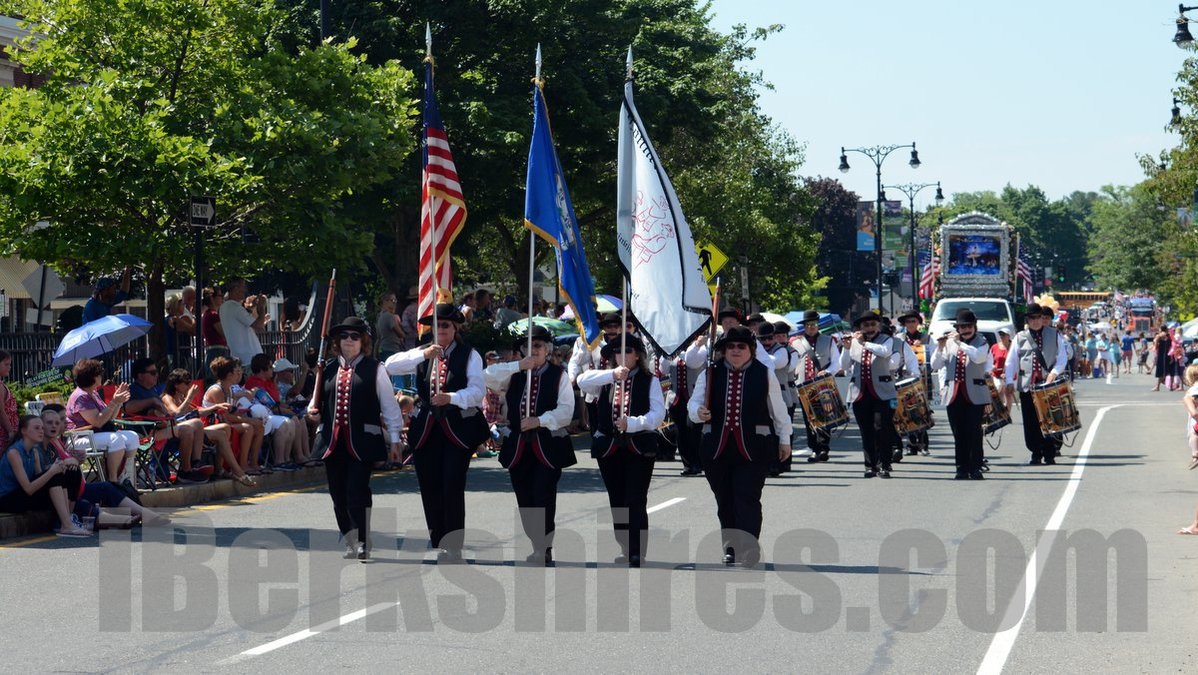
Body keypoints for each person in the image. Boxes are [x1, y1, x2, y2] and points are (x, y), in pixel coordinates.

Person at [384, 303, 488, 563]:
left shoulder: (469, 355)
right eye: (436, 325)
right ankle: (440, 540)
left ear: (455, 328)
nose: (440, 329)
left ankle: (454, 545)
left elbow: (478, 392)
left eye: (445, 325)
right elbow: (389, 365)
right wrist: (423, 355)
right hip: (427, 429)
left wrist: (452, 397)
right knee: (429, 484)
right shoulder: (422, 353)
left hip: (456, 429)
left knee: (452, 483)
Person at [688, 325, 791, 568]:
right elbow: (693, 404)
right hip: (716, 448)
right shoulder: (710, 373)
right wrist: (698, 412)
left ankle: (749, 548)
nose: (735, 350)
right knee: (725, 500)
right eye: (730, 346)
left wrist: (785, 438)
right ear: (723, 350)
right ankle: (731, 548)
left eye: (741, 346)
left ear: (751, 350)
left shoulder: (764, 373)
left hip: (754, 448)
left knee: (747, 498)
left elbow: (778, 410)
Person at [308, 316, 404, 561]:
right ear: (337, 342)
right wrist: (312, 412)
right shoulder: (327, 369)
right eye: (344, 336)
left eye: (354, 336)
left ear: (363, 341)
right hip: (332, 442)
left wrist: (395, 439)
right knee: (337, 494)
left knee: (357, 490)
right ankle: (350, 539)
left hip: (363, 441)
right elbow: (315, 403)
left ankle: (362, 540)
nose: (349, 340)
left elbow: (390, 406)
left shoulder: (375, 369)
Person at [485, 325, 576, 566]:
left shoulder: (558, 375)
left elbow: (566, 411)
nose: (533, 350)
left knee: (543, 494)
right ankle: (536, 542)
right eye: (528, 346)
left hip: (547, 445)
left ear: (547, 349)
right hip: (518, 446)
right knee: (524, 498)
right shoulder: (514, 374)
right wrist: (517, 365)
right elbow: (486, 376)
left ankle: (543, 548)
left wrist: (540, 420)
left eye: (538, 346)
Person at [576, 333, 665, 567]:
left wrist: (633, 423)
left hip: (639, 446)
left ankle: (637, 550)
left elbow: (658, 415)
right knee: (617, 499)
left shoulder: (650, 380)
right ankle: (625, 546)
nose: (622, 355)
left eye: (627, 351)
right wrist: (611, 374)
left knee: (635, 498)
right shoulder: (604, 379)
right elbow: (581, 380)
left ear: (637, 355)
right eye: (617, 351)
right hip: (609, 447)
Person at [41, 404, 169, 526]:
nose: (65, 422)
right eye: (59, 420)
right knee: (84, 506)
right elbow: (56, 471)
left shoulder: (59, 441)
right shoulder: (47, 445)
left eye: (60, 421)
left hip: (80, 489)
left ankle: (143, 513)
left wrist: (77, 460)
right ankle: (122, 520)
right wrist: (71, 461)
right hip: (69, 496)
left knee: (108, 487)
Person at [0, 416, 93, 537]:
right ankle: (66, 525)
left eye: (42, 428)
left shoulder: (33, 451)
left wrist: (60, 468)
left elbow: (40, 477)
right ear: (24, 431)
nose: (41, 431)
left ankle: (67, 519)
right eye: (36, 428)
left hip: (24, 495)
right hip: (7, 499)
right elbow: (28, 489)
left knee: (69, 472)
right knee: (53, 475)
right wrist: (51, 471)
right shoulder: (14, 453)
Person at [159, 368, 254, 485]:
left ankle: (219, 468)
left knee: (224, 428)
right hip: (181, 433)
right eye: (186, 383)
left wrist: (216, 407)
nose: (189, 386)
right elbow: (176, 413)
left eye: (190, 383)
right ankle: (238, 472)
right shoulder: (167, 397)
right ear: (176, 385)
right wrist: (190, 397)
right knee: (215, 431)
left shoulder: (181, 397)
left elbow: (197, 412)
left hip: (195, 430)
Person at [124, 357, 210, 483]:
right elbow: (128, 408)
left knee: (197, 424)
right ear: (140, 375)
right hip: (145, 433)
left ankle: (195, 463)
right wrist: (152, 401)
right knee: (186, 430)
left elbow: (166, 414)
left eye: (157, 372)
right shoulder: (132, 390)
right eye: (152, 373)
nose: (156, 375)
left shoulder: (152, 390)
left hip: (161, 427)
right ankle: (185, 472)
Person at [929, 310, 992, 480]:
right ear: (957, 328)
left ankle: (975, 467)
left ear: (975, 327)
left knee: (974, 431)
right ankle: (961, 468)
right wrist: (940, 347)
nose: (966, 330)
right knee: (959, 433)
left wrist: (959, 343)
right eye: (962, 327)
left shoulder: (982, 342)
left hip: (975, 393)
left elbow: (978, 358)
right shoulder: (949, 343)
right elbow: (936, 364)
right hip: (954, 394)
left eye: (969, 326)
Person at [1004, 304, 1069, 465]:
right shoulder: (1020, 337)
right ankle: (1035, 452)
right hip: (1028, 386)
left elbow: (1062, 357)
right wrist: (1009, 381)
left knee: (1050, 419)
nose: (1036, 321)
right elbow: (1011, 361)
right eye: (1032, 318)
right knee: (1030, 421)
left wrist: (1054, 373)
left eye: (1038, 317)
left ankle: (1050, 452)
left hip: (1048, 385)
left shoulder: (1054, 334)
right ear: (1028, 320)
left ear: (1042, 318)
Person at [839, 311, 900, 478]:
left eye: (873, 324)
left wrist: (864, 343)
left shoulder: (886, 340)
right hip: (860, 392)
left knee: (881, 428)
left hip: (883, 392)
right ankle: (870, 465)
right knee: (866, 431)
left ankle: (885, 464)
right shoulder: (855, 342)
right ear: (860, 328)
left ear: (878, 326)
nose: (870, 328)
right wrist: (846, 348)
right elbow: (844, 365)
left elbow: (884, 352)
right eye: (866, 325)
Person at [65, 359, 140, 488]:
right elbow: (98, 421)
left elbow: (109, 417)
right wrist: (114, 402)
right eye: (99, 374)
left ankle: (125, 478)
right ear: (93, 377)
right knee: (115, 440)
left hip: (95, 434)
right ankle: (113, 482)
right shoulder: (81, 396)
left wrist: (118, 402)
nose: (101, 376)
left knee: (133, 437)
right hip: (79, 437)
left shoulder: (93, 393)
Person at [245, 353, 311, 470]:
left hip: (272, 413)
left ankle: (290, 458)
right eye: (270, 367)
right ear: (262, 369)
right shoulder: (255, 383)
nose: (273, 370)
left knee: (298, 419)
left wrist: (289, 408)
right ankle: (281, 460)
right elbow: (271, 405)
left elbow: (277, 402)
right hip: (262, 416)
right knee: (291, 420)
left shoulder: (269, 382)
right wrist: (289, 411)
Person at [791, 310, 840, 463]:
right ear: (804, 326)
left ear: (818, 325)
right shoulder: (795, 342)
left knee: (825, 416)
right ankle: (814, 449)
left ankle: (823, 448)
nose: (811, 327)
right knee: (809, 419)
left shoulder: (829, 340)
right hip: (804, 386)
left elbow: (836, 362)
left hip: (822, 384)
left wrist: (827, 372)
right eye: (808, 325)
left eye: (813, 324)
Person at [203, 357, 265, 477]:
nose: (238, 375)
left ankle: (253, 463)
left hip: (227, 422)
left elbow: (232, 413)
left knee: (259, 427)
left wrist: (250, 419)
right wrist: (250, 420)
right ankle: (243, 465)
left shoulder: (229, 389)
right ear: (229, 375)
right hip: (215, 424)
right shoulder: (217, 390)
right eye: (235, 372)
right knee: (248, 427)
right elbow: (225, 416)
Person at [760, 321, 797, 476]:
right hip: (763, 396)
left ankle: (783, 462)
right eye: (763, 339)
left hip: (783, 394)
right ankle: (772, 463)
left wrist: (757, 351)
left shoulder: (782, 350)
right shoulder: (758, 350)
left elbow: (774, 363)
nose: (767, 341)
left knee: (782, 428)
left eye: (770, 338)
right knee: (768, 430)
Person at [895, 310, 931, 456]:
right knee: (906, 411)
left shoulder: (926, 338)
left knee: (920, 410)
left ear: (918, 323)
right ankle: (911, 445)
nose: (910, 324)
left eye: (913, 321)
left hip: (921, 378)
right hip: (903, 377)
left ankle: (923, 444)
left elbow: (932, 357)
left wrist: (922, 346)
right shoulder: (899, 338)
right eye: (908, 321)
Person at [219, 278, 268, 367]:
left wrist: (251, 307)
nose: (245, 290)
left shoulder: (223, 307)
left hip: (239, 357)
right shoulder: (235, 307)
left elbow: (239, 321)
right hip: (250, 358)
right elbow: (259, 326)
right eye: (243, 286)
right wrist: (262, 307)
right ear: (236, 288)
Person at [200, 288, 229, 380]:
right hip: (217, 351)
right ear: (212, 298)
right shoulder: (213, 315)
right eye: (220, 296)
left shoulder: (209, 314)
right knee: (219, 378)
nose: (222, 298)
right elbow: (224, 334)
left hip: (214, 351)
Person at [375, 291, 406, 362]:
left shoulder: (379, 317)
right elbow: (400, 334)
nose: (395, 303)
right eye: (393, 300)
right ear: (385, 301)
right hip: (391, 350)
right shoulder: (389, 316)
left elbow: (378, 338)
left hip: (383, 350)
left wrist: (375, 353)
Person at [991, 328, 1014, 411]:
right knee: (997, 393)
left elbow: (1015, 362)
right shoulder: (994, 347)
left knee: (1008, 394)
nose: (1001, 336)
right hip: (996, 375)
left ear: (1008, 336)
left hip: (1009, 375)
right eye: (1000, 334)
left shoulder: (1013, 347)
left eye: (1003, 334)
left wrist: (1007, 373)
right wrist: (992, 366)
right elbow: (989, 360)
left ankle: (1007, 413)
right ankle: (1000, 413)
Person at [0, 350, 16, 451]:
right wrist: (10, 431)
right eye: (6, 364)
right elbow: (1, 411)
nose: (9, 367)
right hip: (4, 433)